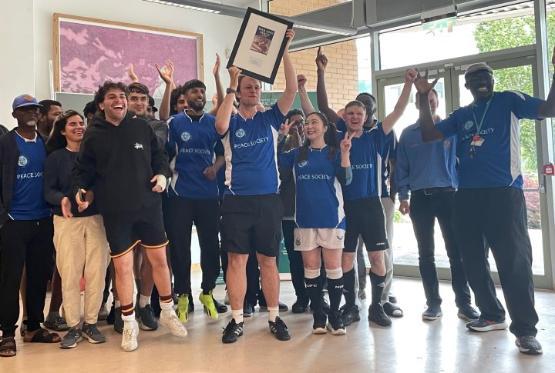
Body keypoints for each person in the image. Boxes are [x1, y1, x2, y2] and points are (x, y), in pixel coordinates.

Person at [414, 56, 555, 355]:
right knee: (471, 260)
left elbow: (549, 109)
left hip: (504, 194)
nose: (481, 82)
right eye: (475, 79)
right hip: (466, 196)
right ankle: (491, 314)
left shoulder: (509, 101)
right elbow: (429, 134)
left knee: (514, 263)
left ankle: (526, 331)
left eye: (486, 77)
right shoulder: (462, 114)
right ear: (466, 85)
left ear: (493, 80)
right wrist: (424, 97)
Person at [73, 81, 187, 352]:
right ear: (102, 104)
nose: (119, 101)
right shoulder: (94, 134)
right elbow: (83, 171)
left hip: (148, 207)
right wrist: (79, 190)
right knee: (123, 268)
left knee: (158, 260)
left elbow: (159, 157)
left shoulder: (141, 126)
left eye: (122, 97)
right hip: (115, 211)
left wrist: (162, 174)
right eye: (112, 97)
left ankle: (168, 311)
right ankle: (128, 323)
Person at [215, 29, 297, 344]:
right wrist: (232, 84)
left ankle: (274, 317)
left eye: (256, 86)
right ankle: (236, 320)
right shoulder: (231, 121)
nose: (252, 90)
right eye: (247, 86)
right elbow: (220, 124)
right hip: (236, 202)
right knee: (237, 260)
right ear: (239, 90)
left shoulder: (270, 120)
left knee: (269, 260)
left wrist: (285, 48)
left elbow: (290, 88)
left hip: (267, 201)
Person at [315, 48, 404, 322]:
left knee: (378, 258)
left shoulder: (377, 137)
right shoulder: (339, 136)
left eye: (359, 113)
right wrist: (321, 72)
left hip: (372, 205)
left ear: (366, 117)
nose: (354, 117)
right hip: (346, 208)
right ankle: (351, 306)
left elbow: (399, 111)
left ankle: (377, 306)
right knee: (346, 261)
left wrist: (410, 84)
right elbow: (321, 106)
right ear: (345, 117)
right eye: (350, 113)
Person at [395, 89, 479, 322]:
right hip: (420, 198)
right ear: (417, 104)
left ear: (437, 101)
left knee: (456, 253)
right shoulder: (408, 134)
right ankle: (433, 303)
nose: (428, 102)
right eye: (423, 100)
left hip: (449, 196)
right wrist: (403, 196)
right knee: (425, 254)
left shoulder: (451, 129)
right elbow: (401, 168)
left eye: (431, 99)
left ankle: (464, 303)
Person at [279, 112, 352, 334]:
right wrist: (282, 138)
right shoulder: (296, 154)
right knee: (311, 269)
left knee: (333, 269)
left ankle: (335, 316)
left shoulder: (334, 152)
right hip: (305, 220)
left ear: (324, 128)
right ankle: (319, 316)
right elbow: (277, 164)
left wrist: (346, 153)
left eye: (314, 123)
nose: (309, 126)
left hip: (332, 219)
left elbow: (347, 179)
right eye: (307, 123)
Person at [44, 110, 110, 349]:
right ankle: (73, 326)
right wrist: (61, 199)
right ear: (62, 130)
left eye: (81, 123)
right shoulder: (55, 158)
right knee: (69, 273)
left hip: (96, 220)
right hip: (66, 222)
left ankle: (91, 323)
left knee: (97, 272)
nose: (79, 127)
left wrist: (92, 195)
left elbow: (103, 184)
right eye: (72, 124)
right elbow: (48, 190)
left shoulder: (95, 156)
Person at [0, 95, 60, 358]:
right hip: (14, 222)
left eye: (34, 109)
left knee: (38, 276)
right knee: (10, 280)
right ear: (15, 115)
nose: (31, 113)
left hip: (42, 220)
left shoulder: (46, 144)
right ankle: (7, 334)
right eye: (24, 110)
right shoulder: (6, 144)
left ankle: (33, 327)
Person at [165, 78, 225, 323]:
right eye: (194, 91)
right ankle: (183, 294)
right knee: (179, 248)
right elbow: (164, 155)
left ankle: (208, 291)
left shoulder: (215, 123)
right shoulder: (174, 123)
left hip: (209, 195)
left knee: (211, 246)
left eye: (202, 91)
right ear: (186, 96)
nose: (199, 94)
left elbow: (223, 154)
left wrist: (215, 166)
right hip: (179, 195)